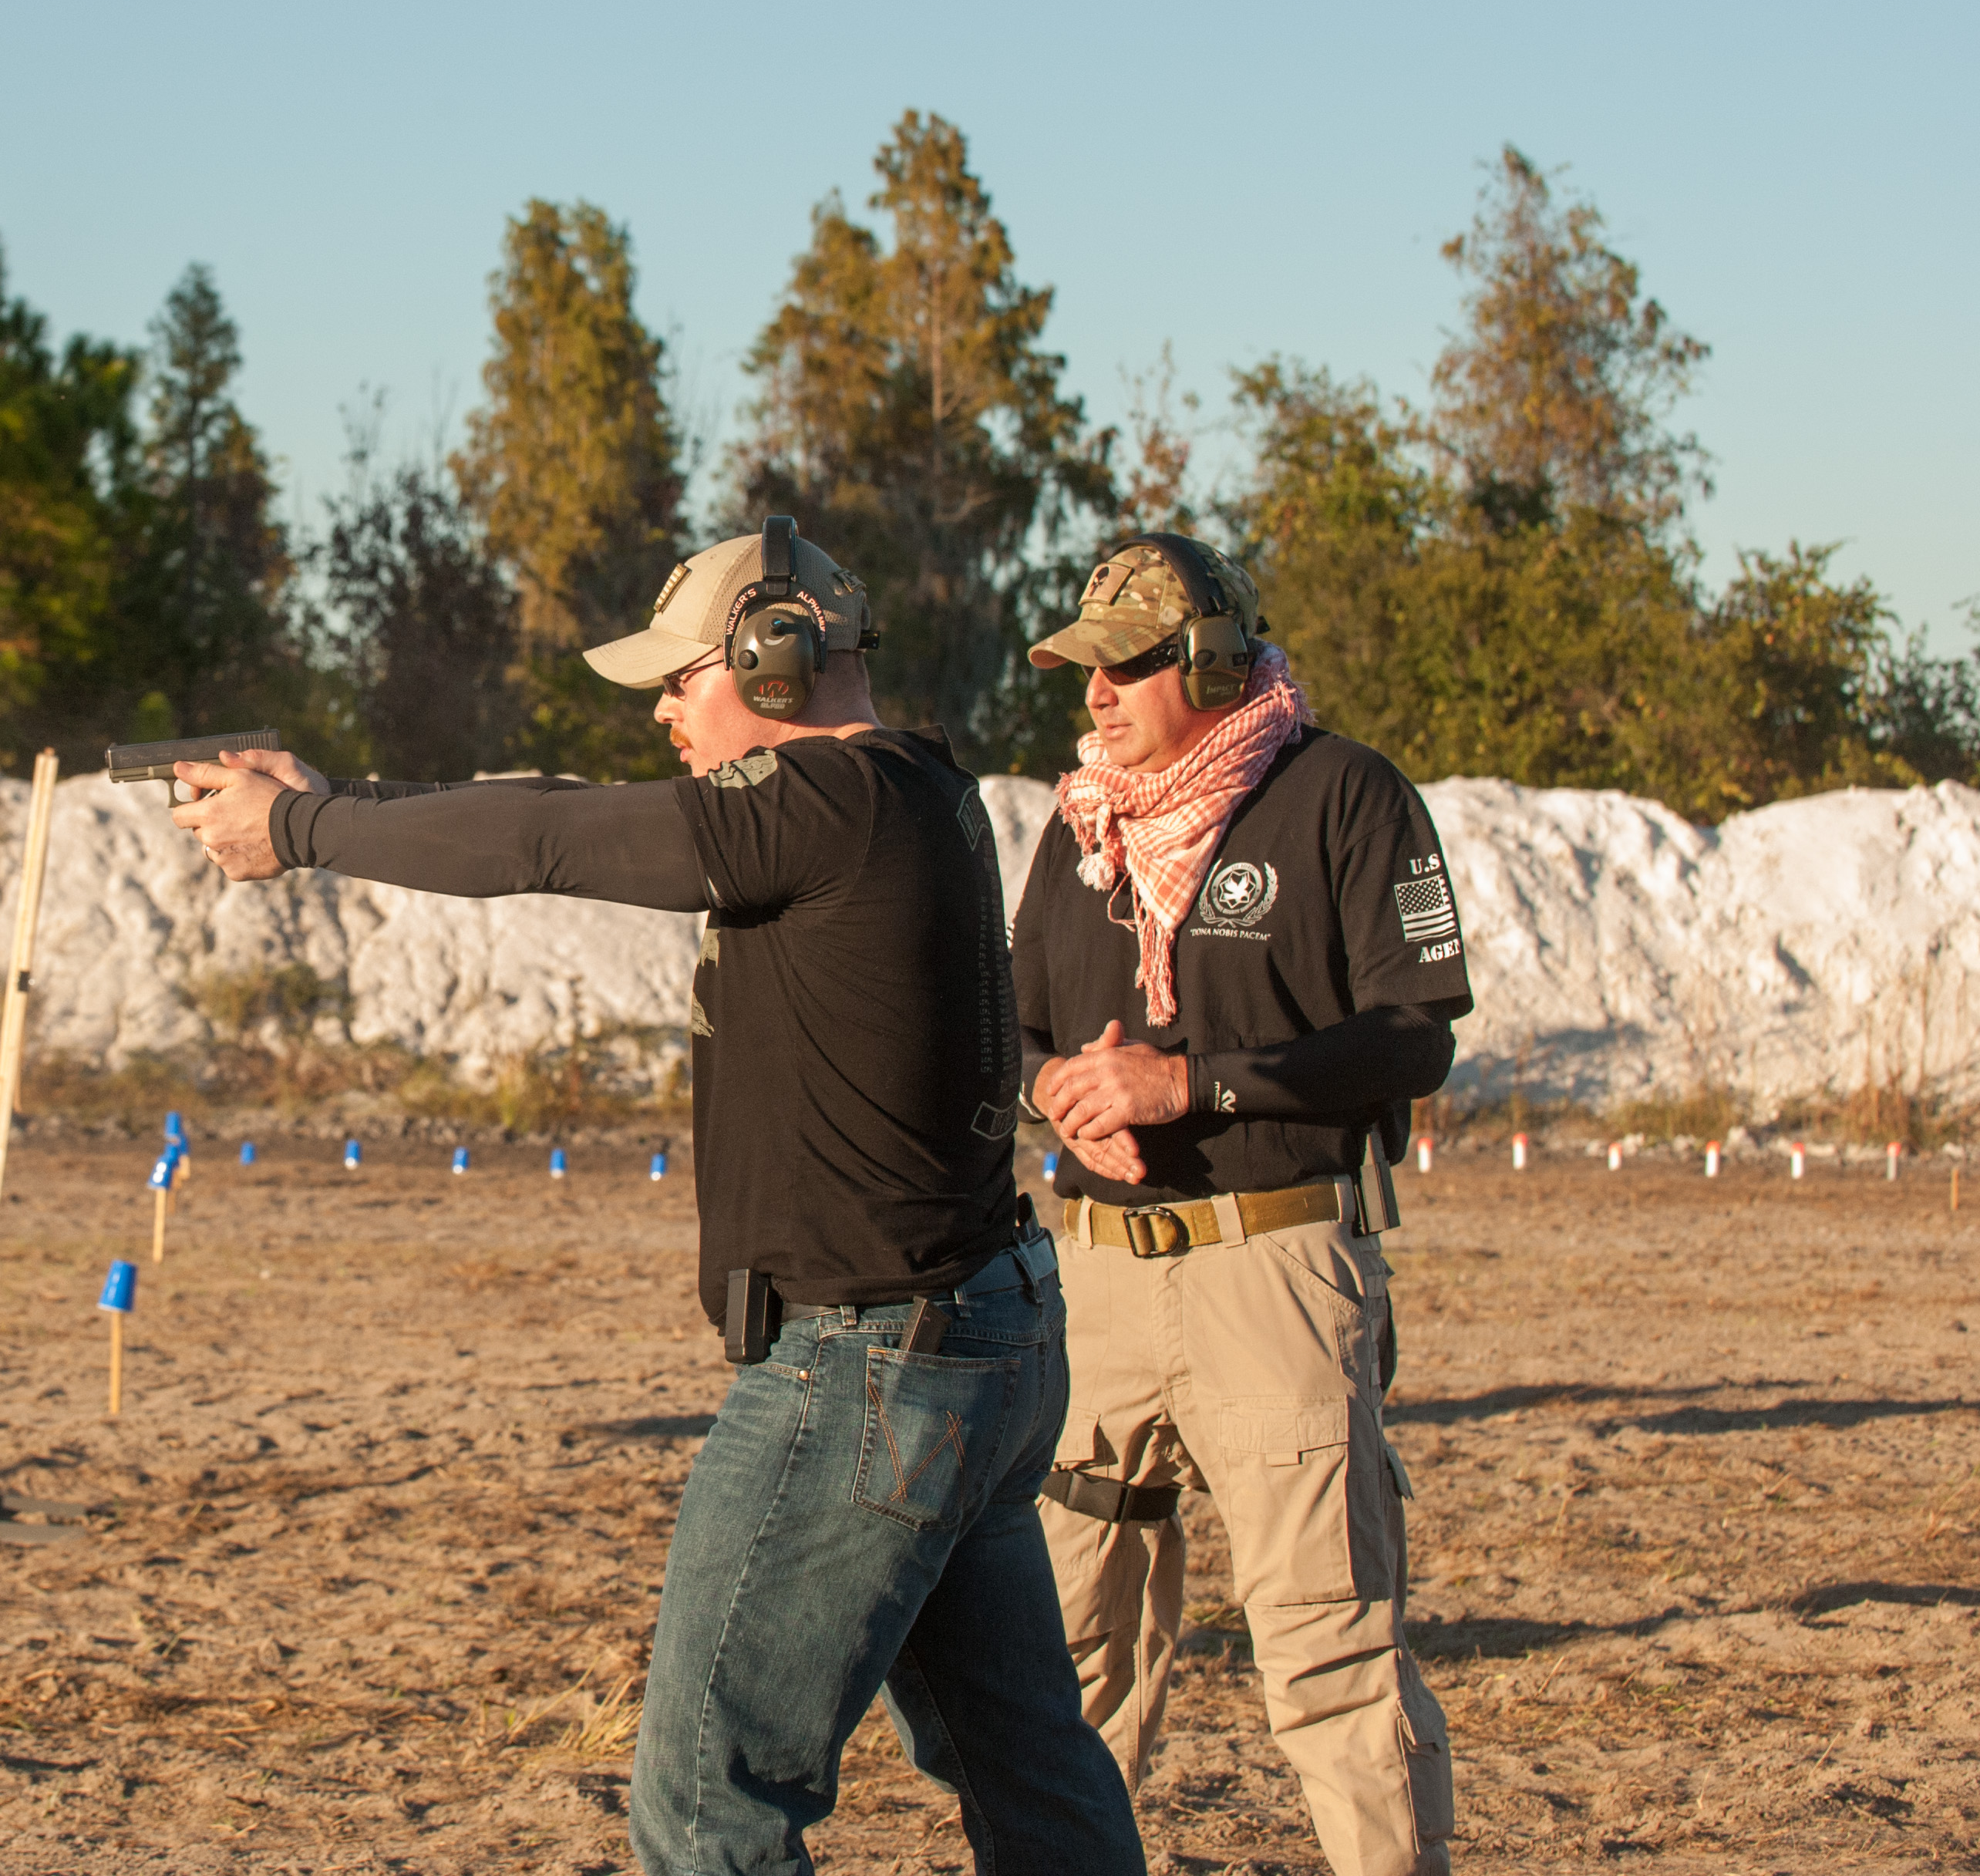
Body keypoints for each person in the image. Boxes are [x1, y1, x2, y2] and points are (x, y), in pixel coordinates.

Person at [167, 519, 1142, 1876]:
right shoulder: (907, 787)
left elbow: (549, 839)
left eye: (682, 679)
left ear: (774, 656)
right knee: (1030, 1774)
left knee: (706, 1808)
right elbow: (565, 805)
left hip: (867, 1364)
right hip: (970, 1338)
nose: (666, 712)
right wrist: (339, 797)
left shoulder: (828, 804)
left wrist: (302, 830)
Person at [1010, 535, 1464, 1876]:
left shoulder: (1345, 795)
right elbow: (1008, 1030)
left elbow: (1414, 1036)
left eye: (1126, 666)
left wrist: (1190, 1087)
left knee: (1329, 1654)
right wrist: (1057, 1094)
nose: (1095, 695)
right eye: (1084, 671)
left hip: (1272, 1269)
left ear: (1212, 662)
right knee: (1067, 1656)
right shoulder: (1080, 825)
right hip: (1097, 1282)